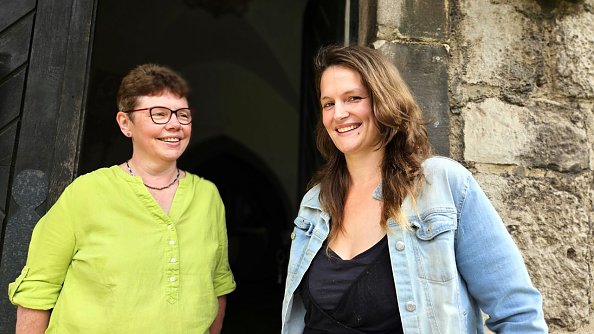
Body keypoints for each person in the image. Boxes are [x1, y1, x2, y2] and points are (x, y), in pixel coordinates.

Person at [281, 45, 548, 333]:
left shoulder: (443, 185)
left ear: (385, 100)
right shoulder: (316, 203)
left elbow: (518, 315)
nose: (339, 113)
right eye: (328, 103)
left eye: (353, 98)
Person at [8, 64, 236, 334]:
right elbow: (37, 289)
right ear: (125, 123)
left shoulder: (208, 196)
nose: (175, 124)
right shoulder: (86, 193)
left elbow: (218, 284)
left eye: (183, 115)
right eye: (159, 114)